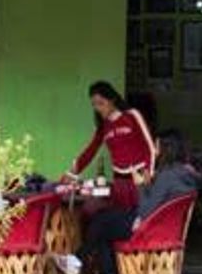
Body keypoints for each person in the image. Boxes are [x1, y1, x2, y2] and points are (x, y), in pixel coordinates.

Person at [54, 129, 201, 274]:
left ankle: (84, 265)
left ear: (167, 149)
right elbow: (157, 203)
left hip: (148, 229)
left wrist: (140, 186)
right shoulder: (186, 176)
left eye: (157, 146)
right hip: (163, 228)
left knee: (100, 221)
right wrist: (149, 185)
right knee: (104, 224)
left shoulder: (167, 175)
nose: (154, 151)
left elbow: (145, 209)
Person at [66, 81, 157, 212]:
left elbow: (150, 146)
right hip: (119, 182)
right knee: (121, 219)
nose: (98, 108)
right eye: (94, 105)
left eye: (101, 103)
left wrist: (150, 171)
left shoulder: (132, 115)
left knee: (141, 217)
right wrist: (72, 172)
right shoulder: (103, 127)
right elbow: (90, 151)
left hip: (139, 179)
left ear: (112, 100)